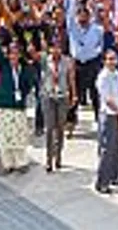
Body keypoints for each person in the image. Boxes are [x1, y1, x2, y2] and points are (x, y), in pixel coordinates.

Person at [0, 37, 38, 173]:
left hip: (18, 106)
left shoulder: (25, 68)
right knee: (5, 137)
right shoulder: (3, 65)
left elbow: (29, 83)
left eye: (16, 53)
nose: (14, 56)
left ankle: (21, 162)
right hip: (4, 105)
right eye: (11, 53)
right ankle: (7, 163)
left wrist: (23, 92)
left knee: (19, 136)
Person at [94, 48, 118, 194]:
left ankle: (114, 176)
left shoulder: (116, 74)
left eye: (114, 59)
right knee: (107, 149)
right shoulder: (102, 77)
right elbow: (107, 99)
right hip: (109, 115)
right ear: (104, 61)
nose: (112, 62)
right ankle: (102, 182)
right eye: (109, 59)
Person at [39, 39, 77, 172]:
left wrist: (74, 94)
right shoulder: (44, 60)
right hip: (48, 96)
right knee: (49, 128)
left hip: (62, 96)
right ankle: (49, 159)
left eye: (58, 47)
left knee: (60, 127)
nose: (56, 50)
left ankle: (58, 155)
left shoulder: (67, 61)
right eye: (53, 47)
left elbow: (71, 78)